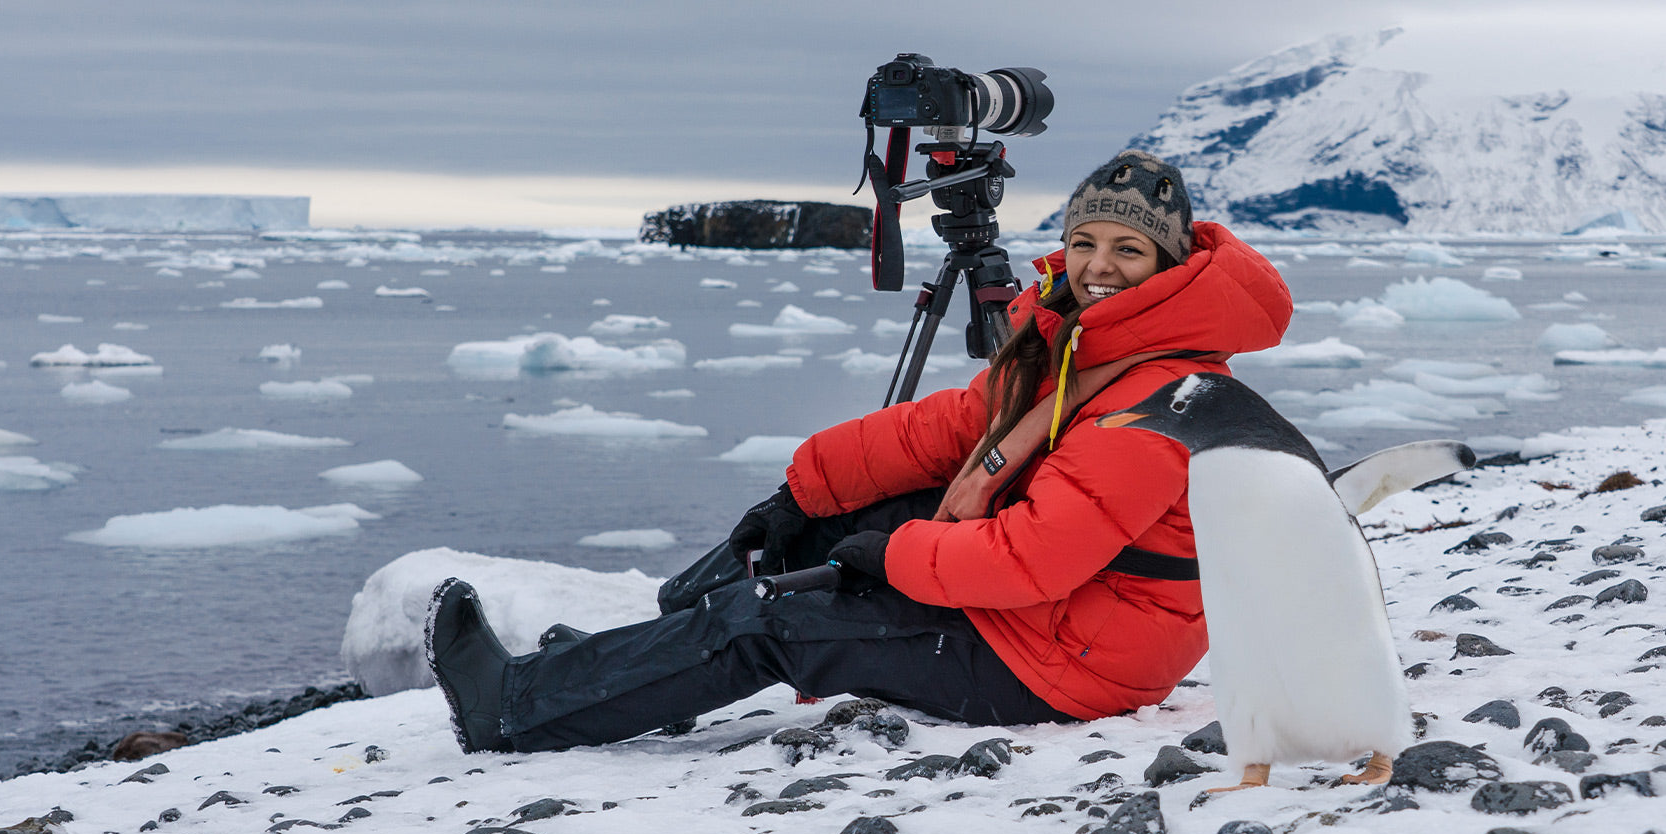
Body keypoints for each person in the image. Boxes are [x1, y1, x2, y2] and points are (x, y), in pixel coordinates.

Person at [425, 148, 1294, 754]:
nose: (1098, 265)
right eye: (1085, 243)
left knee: (773, 623)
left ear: (1170, 264)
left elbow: (1033, 561)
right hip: (1060, 616)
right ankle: (631, 670)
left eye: (1127, 250)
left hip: (1066, 660)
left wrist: (897, 557)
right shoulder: (1081, 340)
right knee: (806, 536)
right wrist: (804, 490)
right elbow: (960, 426)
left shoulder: (1157, 398)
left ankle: (511, 709)